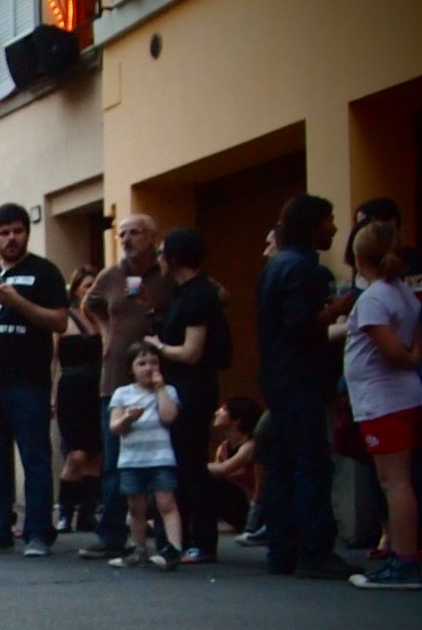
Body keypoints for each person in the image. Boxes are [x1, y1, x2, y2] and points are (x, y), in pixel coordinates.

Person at [0, 203, 69, 556]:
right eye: (4, 233)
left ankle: (38, 533)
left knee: (35, 459)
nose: (11, 238)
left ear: (27, 233)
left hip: (28, 382)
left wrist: (18, 302)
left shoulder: (44, 272)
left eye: (17, 231)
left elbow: (59, 322)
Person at [256, 195, 350, 578]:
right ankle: (314, 549)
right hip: (301, 378)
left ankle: (283, 549)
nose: (334, 227)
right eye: (329, 219)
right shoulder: (301, 269)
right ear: (312, 225)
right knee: (311, 463)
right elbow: (301, 326)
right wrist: (336, 309)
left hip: (279, 377)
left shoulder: (276, 267)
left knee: (282, 464)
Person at [78, 214, 173, 560]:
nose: (128, 239)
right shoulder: (111, 275)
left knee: (162, 459)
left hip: (157, 378)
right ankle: (112, 535)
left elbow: (214, 294)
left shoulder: (166, 273)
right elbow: (90, 304)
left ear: (152, 237)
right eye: (123, 234)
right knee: (115, 460)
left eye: (135, 233)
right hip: (116, 377)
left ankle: (167, 537)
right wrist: (107, 333)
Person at [342, 221, 422, 589]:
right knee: (397, 480)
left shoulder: (375, 298)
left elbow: (394, 352)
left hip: (384, 400)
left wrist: (407, 361)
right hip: (397, 396)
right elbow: (416, 345)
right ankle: (403, 556)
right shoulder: (405, 294)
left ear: (360, 258)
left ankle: (404, 561)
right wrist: (412, 361)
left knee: (394, 482)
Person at [145, 228, 230, 563]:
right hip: (183, 387)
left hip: (193, 388)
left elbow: (193, 351)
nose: (159, 258)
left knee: (191, 463)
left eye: (163, 252)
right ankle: (183, 538)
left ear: (174, 258)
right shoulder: (185, 293)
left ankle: (202, 540)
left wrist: (159, 347)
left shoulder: (198, 295)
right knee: (182, 462)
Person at [107, 343, 184, 571]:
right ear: (131, 368)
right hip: (132, 460)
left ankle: (173, 548)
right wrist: (127, 419)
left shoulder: (168, 391)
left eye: (153, 363)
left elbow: (169, 417)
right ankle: (138, 547)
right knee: (136, 507)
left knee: (166, 503)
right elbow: (114, 427)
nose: (148, 368)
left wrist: (160, 389)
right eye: (142, 363)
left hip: (160, 457)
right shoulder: (123, 394)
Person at [55, 265, 104, 535]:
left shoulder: (101, 319)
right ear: (75, 290)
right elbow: (50, 359)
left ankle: (87, 513)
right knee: (76, 454)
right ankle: (65, 511)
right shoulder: (65, 318)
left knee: (96, 455)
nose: (92, 290)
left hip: (97, 387)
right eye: (87, 285)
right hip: (72, 388)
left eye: (96, 285)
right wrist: (50, 395)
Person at [208, 396, 262, 535]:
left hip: (252, 509)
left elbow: (223, 469)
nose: (217, 412)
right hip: (235, 506)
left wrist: (193, 465)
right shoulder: (223, 447)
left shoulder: (251, 445)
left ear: (237, 419)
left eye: (224, 409)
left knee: (212, 481)